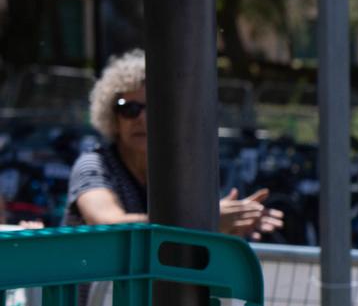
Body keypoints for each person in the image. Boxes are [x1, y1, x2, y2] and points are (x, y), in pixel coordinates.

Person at [64, 49, 280, 238]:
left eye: (155, 108)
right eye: (129, 109)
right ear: (113, 117)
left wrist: (227, 225)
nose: (142, 119)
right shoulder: (94, 164)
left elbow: (185, 235)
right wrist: (204, 221)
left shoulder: (176, 169)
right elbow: (107, 225)